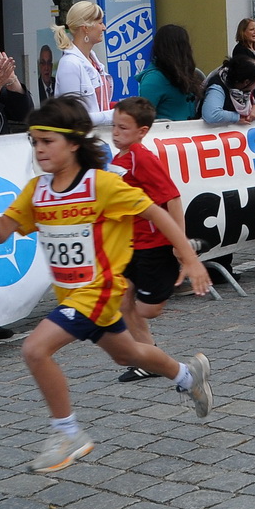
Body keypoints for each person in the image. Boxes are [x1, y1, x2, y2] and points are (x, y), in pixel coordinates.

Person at [0, 95, 213, 473]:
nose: (39, 149)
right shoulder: (37, 190)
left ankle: (68, 433)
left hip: (99, 292)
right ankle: (186, 375)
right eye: (34, 141)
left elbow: (156, 213)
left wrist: (191, 260)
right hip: (72, 295)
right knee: (128, 354)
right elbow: (0, 235)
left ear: (74, 143)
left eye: (48, 141)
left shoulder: (103, 185)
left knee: (35, 349)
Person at [108, 97, 189, 382]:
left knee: (148, 310)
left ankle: (182, 261)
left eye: (123, 128)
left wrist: (180, 242)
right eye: (114, 126)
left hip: (155, 245)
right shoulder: (118, 160)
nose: (116, 133)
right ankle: (147, 358)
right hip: (130, 245)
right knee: (122, 299)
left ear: (142, 132)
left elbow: (173, 198)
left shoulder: (142, 158)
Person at [52, 1, 114, 125]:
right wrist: (114, 115)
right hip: (82, 140)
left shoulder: (92, 59)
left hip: (100, 136)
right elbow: (72, 117)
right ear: (85, 28)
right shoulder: (70, 64)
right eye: (100, 23)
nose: (104, 27)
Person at [134, 24, 204, 121]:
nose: (190, 49)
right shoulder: (153, 79)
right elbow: (142, 118)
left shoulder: (192, 73)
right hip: (166, 134)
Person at [199, 55, 255, 125]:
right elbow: (211, 114)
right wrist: (237, 117)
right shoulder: (218, 87)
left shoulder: (250, 84)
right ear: (246, 82)